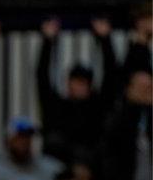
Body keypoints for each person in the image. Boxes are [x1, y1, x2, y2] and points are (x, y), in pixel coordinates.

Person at [36, 18, 117, 169]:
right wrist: (47, 41)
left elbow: (111, 79)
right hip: (59, 174)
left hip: (92, 175)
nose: (80, 86)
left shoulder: (98, 108)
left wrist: (106, 40)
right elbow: (42, 79)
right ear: (68, 83)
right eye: (76, 81)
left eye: (84, 82)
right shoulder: (56, 107)